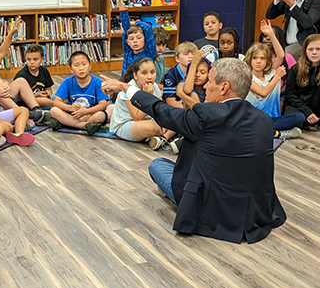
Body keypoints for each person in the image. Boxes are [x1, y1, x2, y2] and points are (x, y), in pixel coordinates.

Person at [101, 58, 287, 244]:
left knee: (157, 165)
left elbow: (161, 111)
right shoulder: (264, 120)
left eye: (210, 81)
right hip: (255, 212)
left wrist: (126, 88)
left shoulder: (206, 115)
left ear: (223, 88)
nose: (205, 86)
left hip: (211, 209)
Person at [244, 21, 305, 139]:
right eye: (255, 58)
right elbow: (263, 93)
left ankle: (268, 131)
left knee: (300, 117)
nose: (258, 61)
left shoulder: (271, 71)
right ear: (249, 59)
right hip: (254, 118)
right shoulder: (246, 77)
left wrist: (271, 35)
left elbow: (281, 55)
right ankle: (278, 134)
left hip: (273, 118)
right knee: (254, 125)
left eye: (262, 58)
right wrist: (277, 76)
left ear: (267, 60)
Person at [109, 58, 172, 147]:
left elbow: (161, 108)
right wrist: (147, 97)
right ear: (135, 75)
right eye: (144, 73)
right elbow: (137, 117)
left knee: (173, 117)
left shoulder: (153, 85)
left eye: (152, 72)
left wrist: (165, 122)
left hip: (149, 119)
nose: (149, 77)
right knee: (151, 127)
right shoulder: (129, 89)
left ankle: (161, 138)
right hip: (126, 124)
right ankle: (162, 135)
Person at [283, 34, 320, 134]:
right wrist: (306, 111)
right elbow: (290, 94)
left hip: (316, 104)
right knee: (295, 120)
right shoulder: (296, 69)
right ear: (305, 51)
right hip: (298, 105)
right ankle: (306, 120)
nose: (314, 53)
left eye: (318, 49)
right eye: (310, 49)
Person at [50, 51, 109, 135]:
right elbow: (56, 102)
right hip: (72, 114)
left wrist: (86, 111)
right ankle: (85, 126)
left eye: (84, 64)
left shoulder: (97, 82)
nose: (81, 68)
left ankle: (65, 123)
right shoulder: (67, 82)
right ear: (71, 69)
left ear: (90, 66)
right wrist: (69, 108)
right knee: (53, 110)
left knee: (101, 115)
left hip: (89, 114)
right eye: (76, 65)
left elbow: (103, 105)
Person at [110, 0, 156, 76]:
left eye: (139, 38)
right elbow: (125, 25)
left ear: (145, 39)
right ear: (128, 42)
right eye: (131, 39)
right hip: (127, 84)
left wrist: (136, 22)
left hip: (143, 84)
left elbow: (148, 28)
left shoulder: (149, 53)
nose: (135, 41)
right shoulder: (128, 51)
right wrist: (120, 1)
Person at [12, 44, 55, 108]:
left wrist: (47, 93)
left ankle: (54, 106)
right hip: (27, 103)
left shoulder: (44, 71)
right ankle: (56, 106)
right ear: (25, 59)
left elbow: (49, 89)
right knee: (45, 102)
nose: (32, 62)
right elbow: (18, 98)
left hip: (44, 99)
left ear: (42, 60)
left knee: (57, 96)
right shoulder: (21, 75)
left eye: (35, 59)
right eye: (29, 59)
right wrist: (36, 95)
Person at [163, 41, 195, 108]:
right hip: (178, 109)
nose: (190, 56)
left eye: (193, 54)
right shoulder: (171, 74)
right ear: (177, 59)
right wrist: (184, 111)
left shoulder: (198, 72)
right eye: (186, 54)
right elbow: (170, 100)